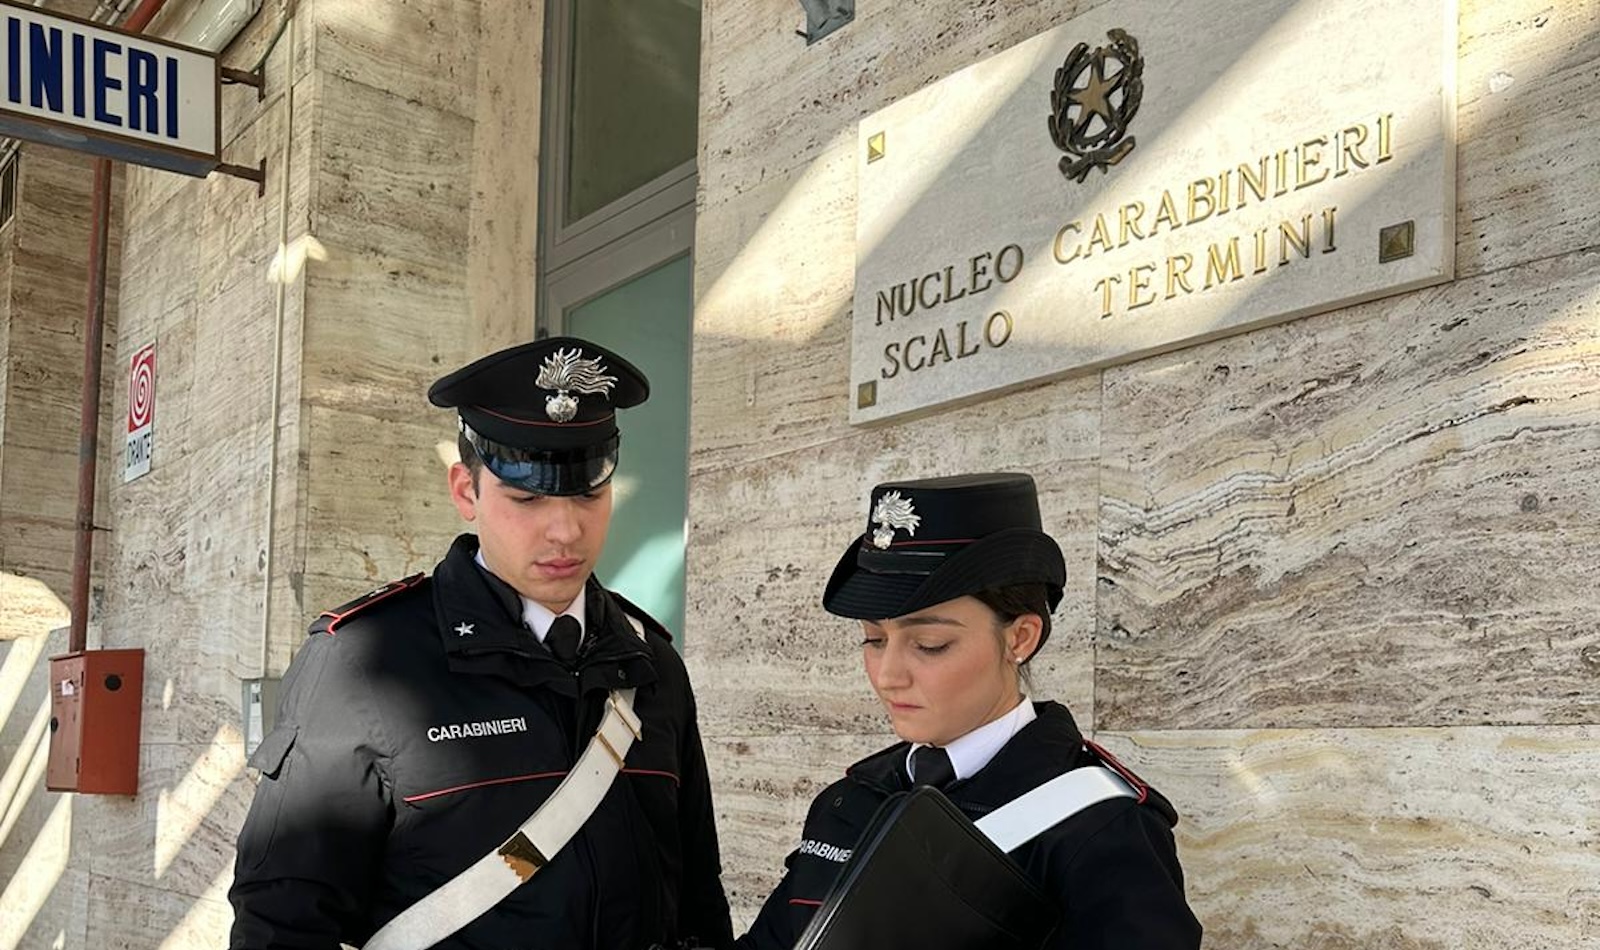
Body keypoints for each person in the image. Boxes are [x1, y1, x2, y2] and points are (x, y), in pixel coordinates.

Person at [229, 337, 734, 950]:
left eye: (588, 493)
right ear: (466, 491)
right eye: (527, 497)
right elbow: (283, 921)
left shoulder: (650, 663)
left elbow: (697, 898)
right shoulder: (363, 663)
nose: (565, 529)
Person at [735, 473, 1202, 950]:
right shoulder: (850, 800)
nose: (887, 674)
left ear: (1020, 638)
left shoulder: (1099, 827)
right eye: (873, 639)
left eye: (930, 644)